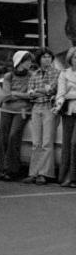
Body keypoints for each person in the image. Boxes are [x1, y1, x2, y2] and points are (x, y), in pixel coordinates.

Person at [0, 51, 33, 182]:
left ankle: (12, 169)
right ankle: (1, 169)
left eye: (29, 61)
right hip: (6, 110)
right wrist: (21, 94)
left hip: (23, 111)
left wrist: (15, 93)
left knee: (14, 136)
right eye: (26, 60)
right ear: (19, 61)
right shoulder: (9, 76)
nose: (29, 63)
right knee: (3, 138)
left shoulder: (32, 76)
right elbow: (6, 95)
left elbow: (31, 95)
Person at [24, 48, 59, 185]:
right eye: (44, 57)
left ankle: (44, 173)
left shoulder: (57, 73)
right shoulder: (34, 74)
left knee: (46, 142)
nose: (47, 59)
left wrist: (37, 91)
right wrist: (41, 91)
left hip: (49, 107)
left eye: (49, 57)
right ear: (39, 59)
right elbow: (29, 94)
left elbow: (51, 90)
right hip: (36, 107)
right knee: (36, 142)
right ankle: (33, 173)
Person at [54, 47, 76, 188]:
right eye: (75, 57)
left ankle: (72, 177)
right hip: (68, 111)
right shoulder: (64, 73)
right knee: (66, 145)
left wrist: (70, 95)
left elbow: (66, 94)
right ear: (70, 59)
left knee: (75, 143)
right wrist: (60, 101)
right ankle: (64, 177)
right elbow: (60, 94)